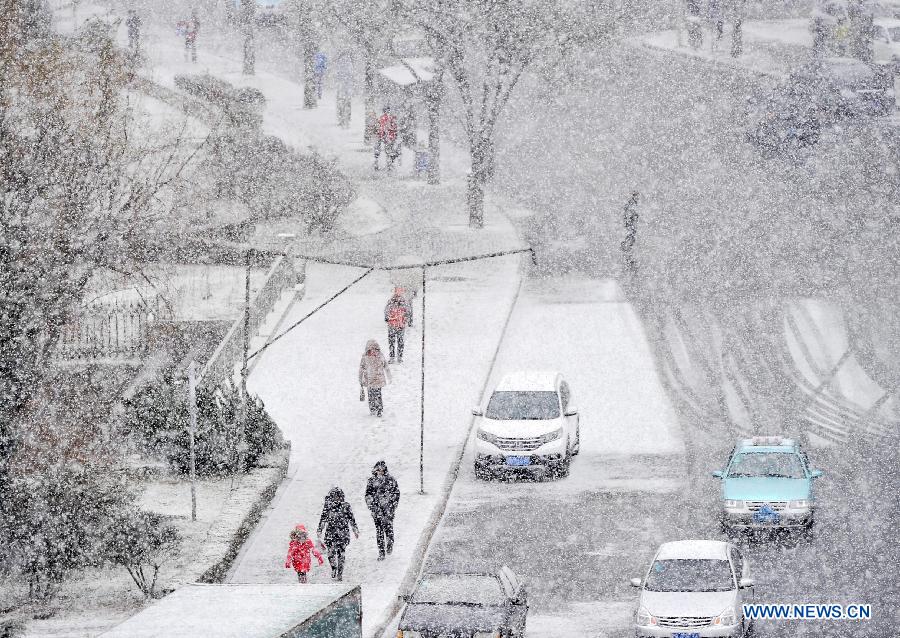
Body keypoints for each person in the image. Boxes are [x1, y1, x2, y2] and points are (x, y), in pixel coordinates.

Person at [316, 487, 359, 581]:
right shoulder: (328, 506)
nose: (337, 498)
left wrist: (355, 529)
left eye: (338, 496)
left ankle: (340, 572)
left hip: (343, 533)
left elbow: (351, 519)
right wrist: (320, 530)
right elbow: (323, 519)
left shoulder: (346, 506)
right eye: (334, 496)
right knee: (330, 553)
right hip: (331, 532)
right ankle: (334, 568)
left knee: (341, 554)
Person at [364, 461, 400, 561]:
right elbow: (368, 495)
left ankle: (389, 544)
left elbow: (396, 494)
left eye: (381, 470)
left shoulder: (391, 480)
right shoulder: (371, 481)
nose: (380, 472)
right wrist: (372, 506)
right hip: (377, 511)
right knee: (379, 532)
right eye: (378, 470)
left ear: (384, 470)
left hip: (388, 511)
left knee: (389, 529)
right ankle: (381, 553)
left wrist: (392, 506)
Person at [359, 340, 390, 416]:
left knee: (371, 395)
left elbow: (361, 368)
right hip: (377, 380)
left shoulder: (365, 356)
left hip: (369, 379)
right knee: (378, 394)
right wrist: (389, 375)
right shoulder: (380, 355)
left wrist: (360, 378)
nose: (372, 351)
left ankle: (373, 408)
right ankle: (379, 409)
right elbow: (385, 366)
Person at [384, 288, 412, 363]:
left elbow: (386, 311)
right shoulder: (402, 302)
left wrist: (387, 318)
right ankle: (397, 357)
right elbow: (408, 312)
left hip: (395, 324)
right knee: (398, 341)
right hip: (398, 324)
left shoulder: (392, 301)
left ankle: (395, 357)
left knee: (394, 341)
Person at [373, 106, 398, 171]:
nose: (388, 112)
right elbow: (391, 127)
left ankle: (380, 164)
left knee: (386, 151)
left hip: (386, 136)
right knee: (389, 151)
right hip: (388, 137)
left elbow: (381, 127)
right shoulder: (389, 118)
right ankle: (389, 165)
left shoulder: (383, 118)